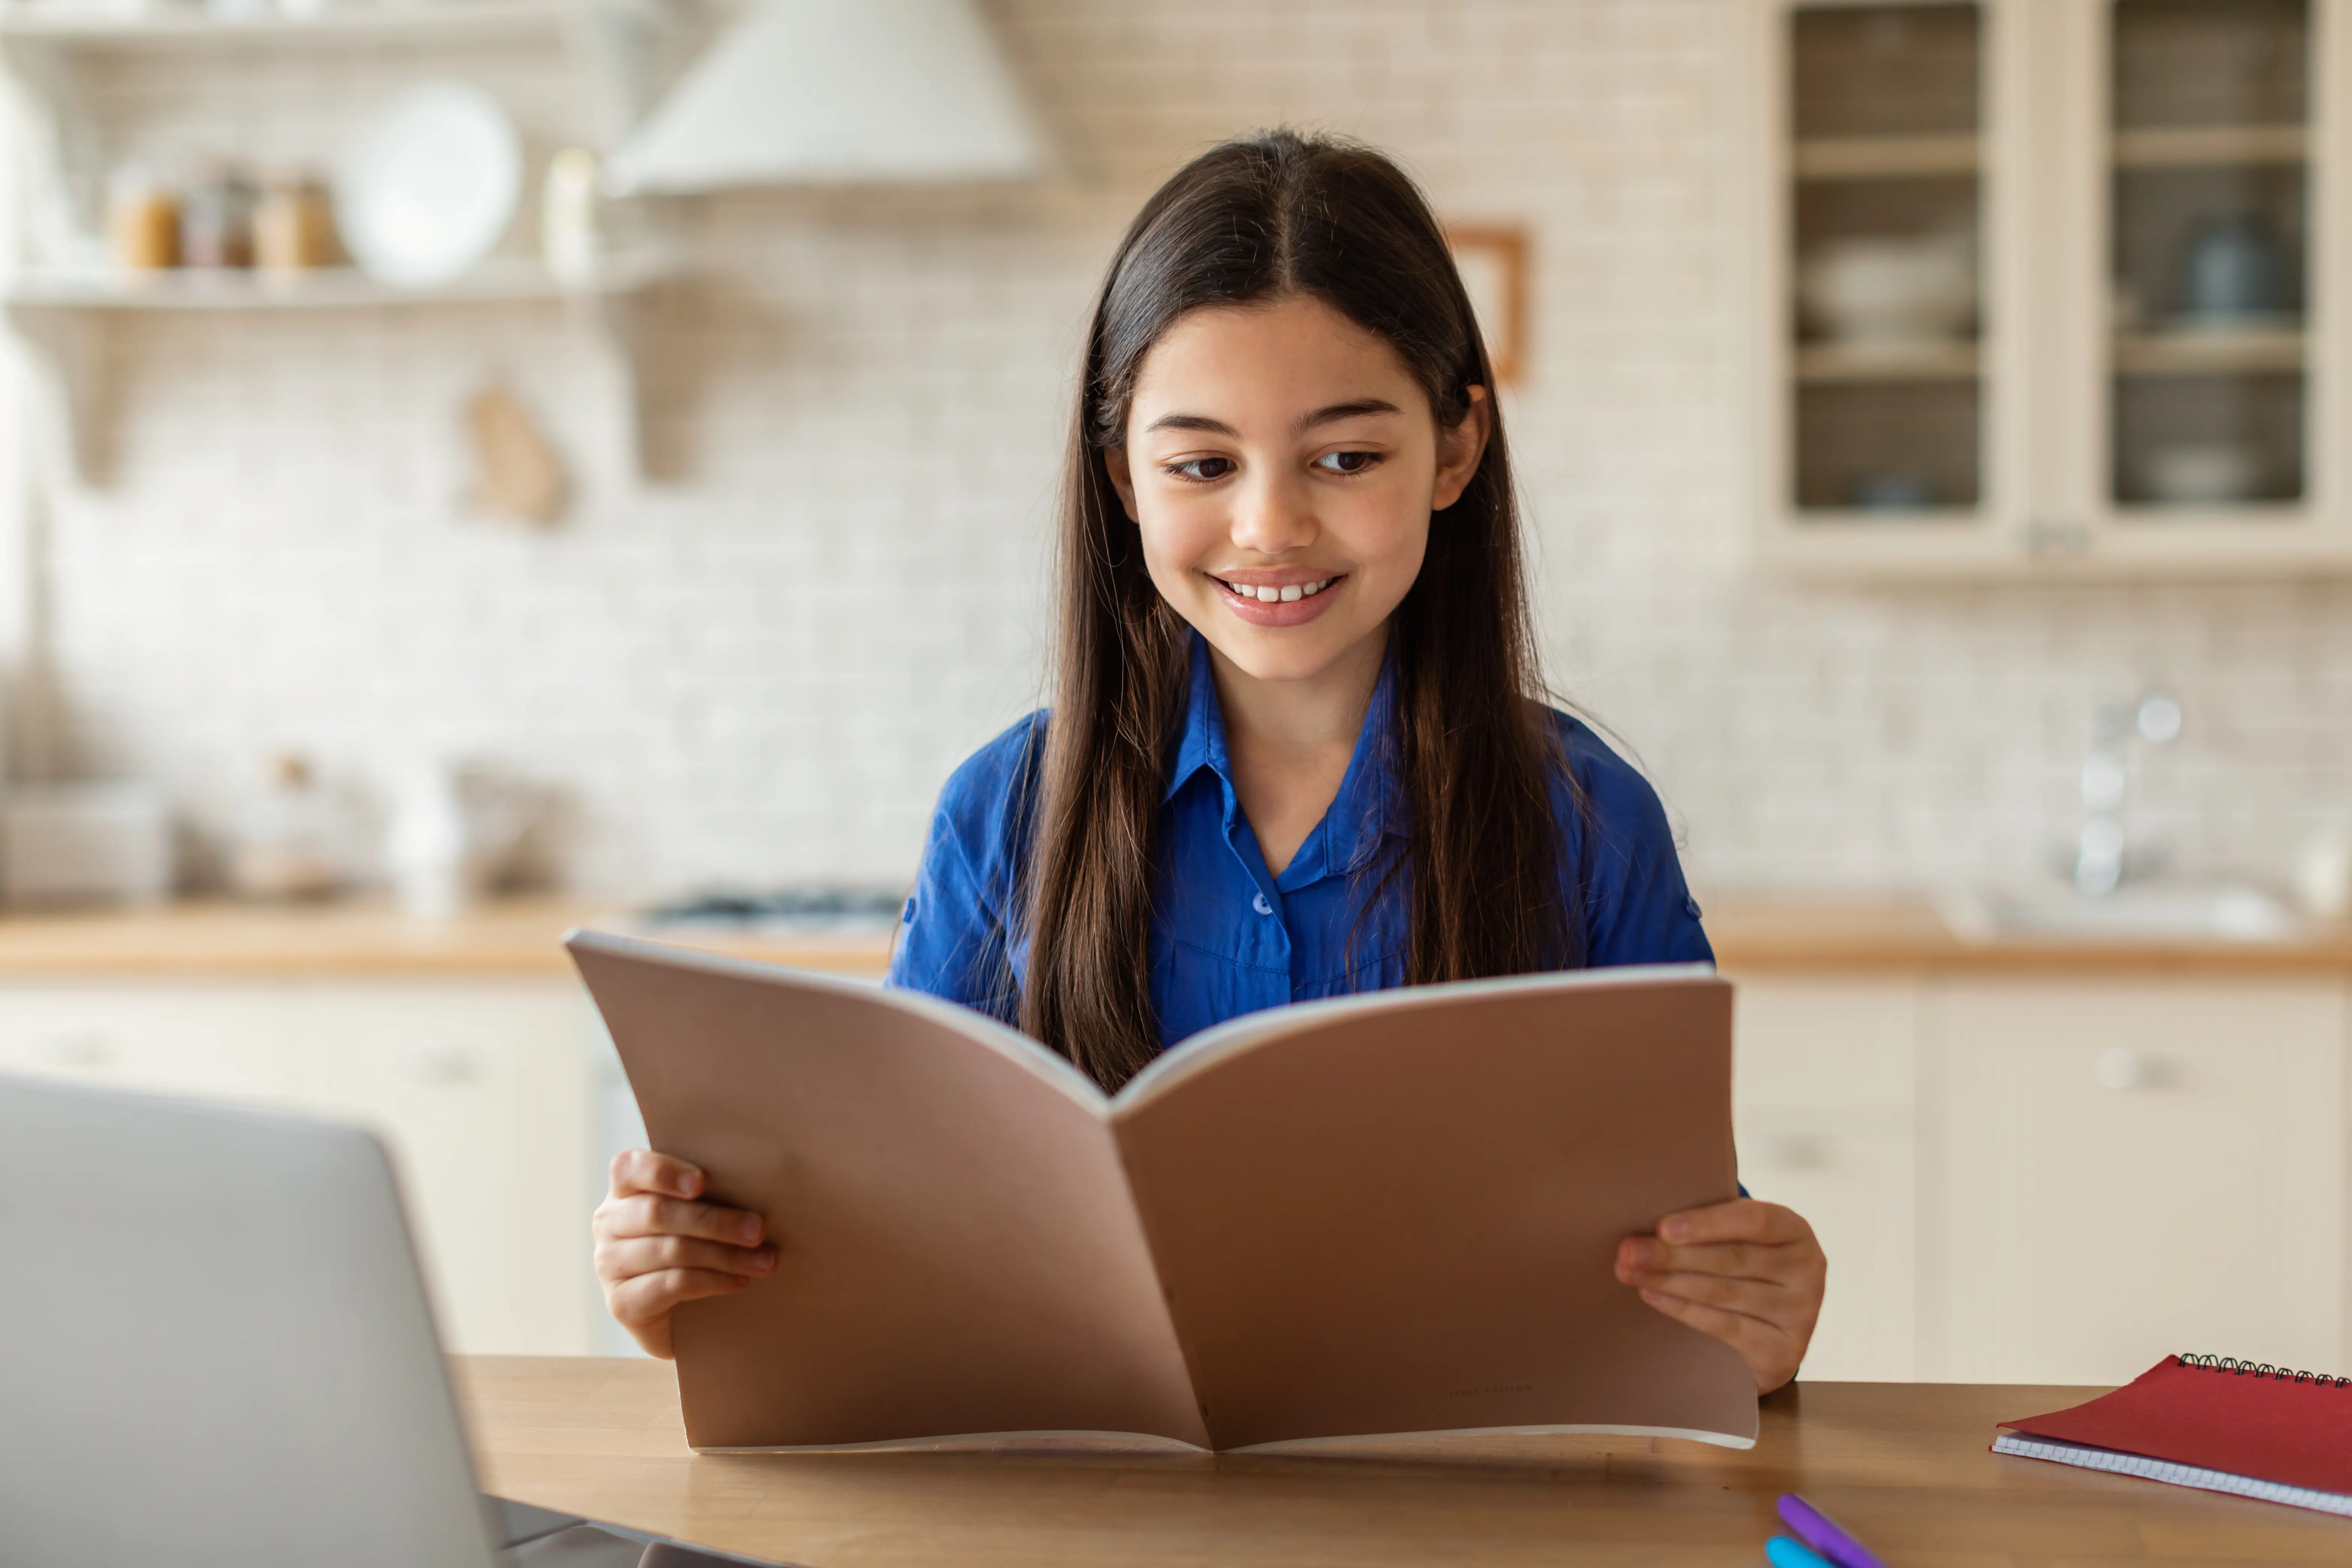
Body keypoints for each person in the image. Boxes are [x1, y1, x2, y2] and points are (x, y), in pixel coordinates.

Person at [595, 130, 1826, 1391]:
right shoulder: (1005, 815)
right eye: (1202, 464)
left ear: (1456, 451)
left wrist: (1758, 1324)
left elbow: (1688, 1302)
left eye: (1347, 458)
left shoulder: (1589, 820)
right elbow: (890, 1276)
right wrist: (700, 1296)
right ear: (1120, 470)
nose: (1269, 526)